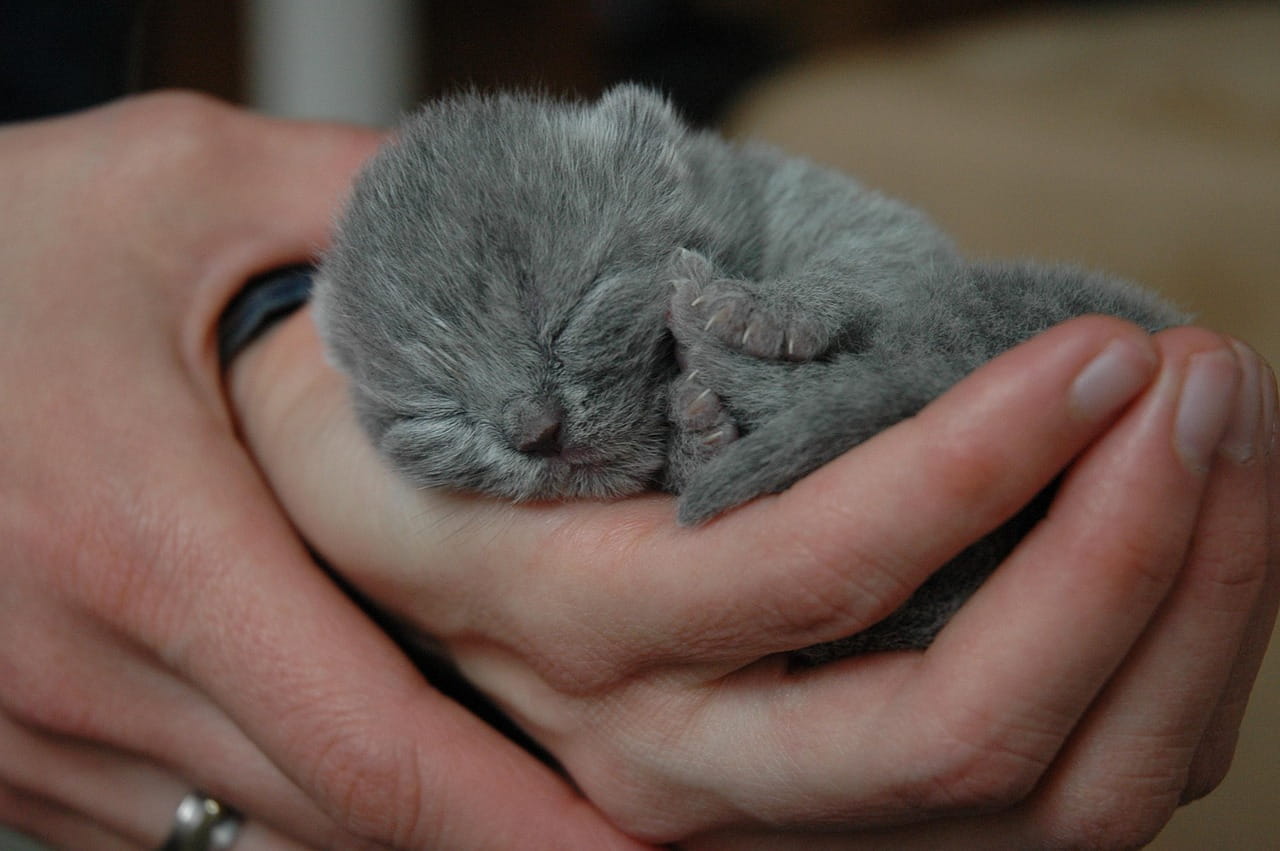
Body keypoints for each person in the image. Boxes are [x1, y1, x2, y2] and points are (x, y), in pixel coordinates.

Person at [1, 92, 1274, 850]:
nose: (527, 422)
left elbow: (893, 268)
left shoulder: (704, 200)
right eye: (441, 409)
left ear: (652, 159)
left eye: (572, 324)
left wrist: (247, 318)